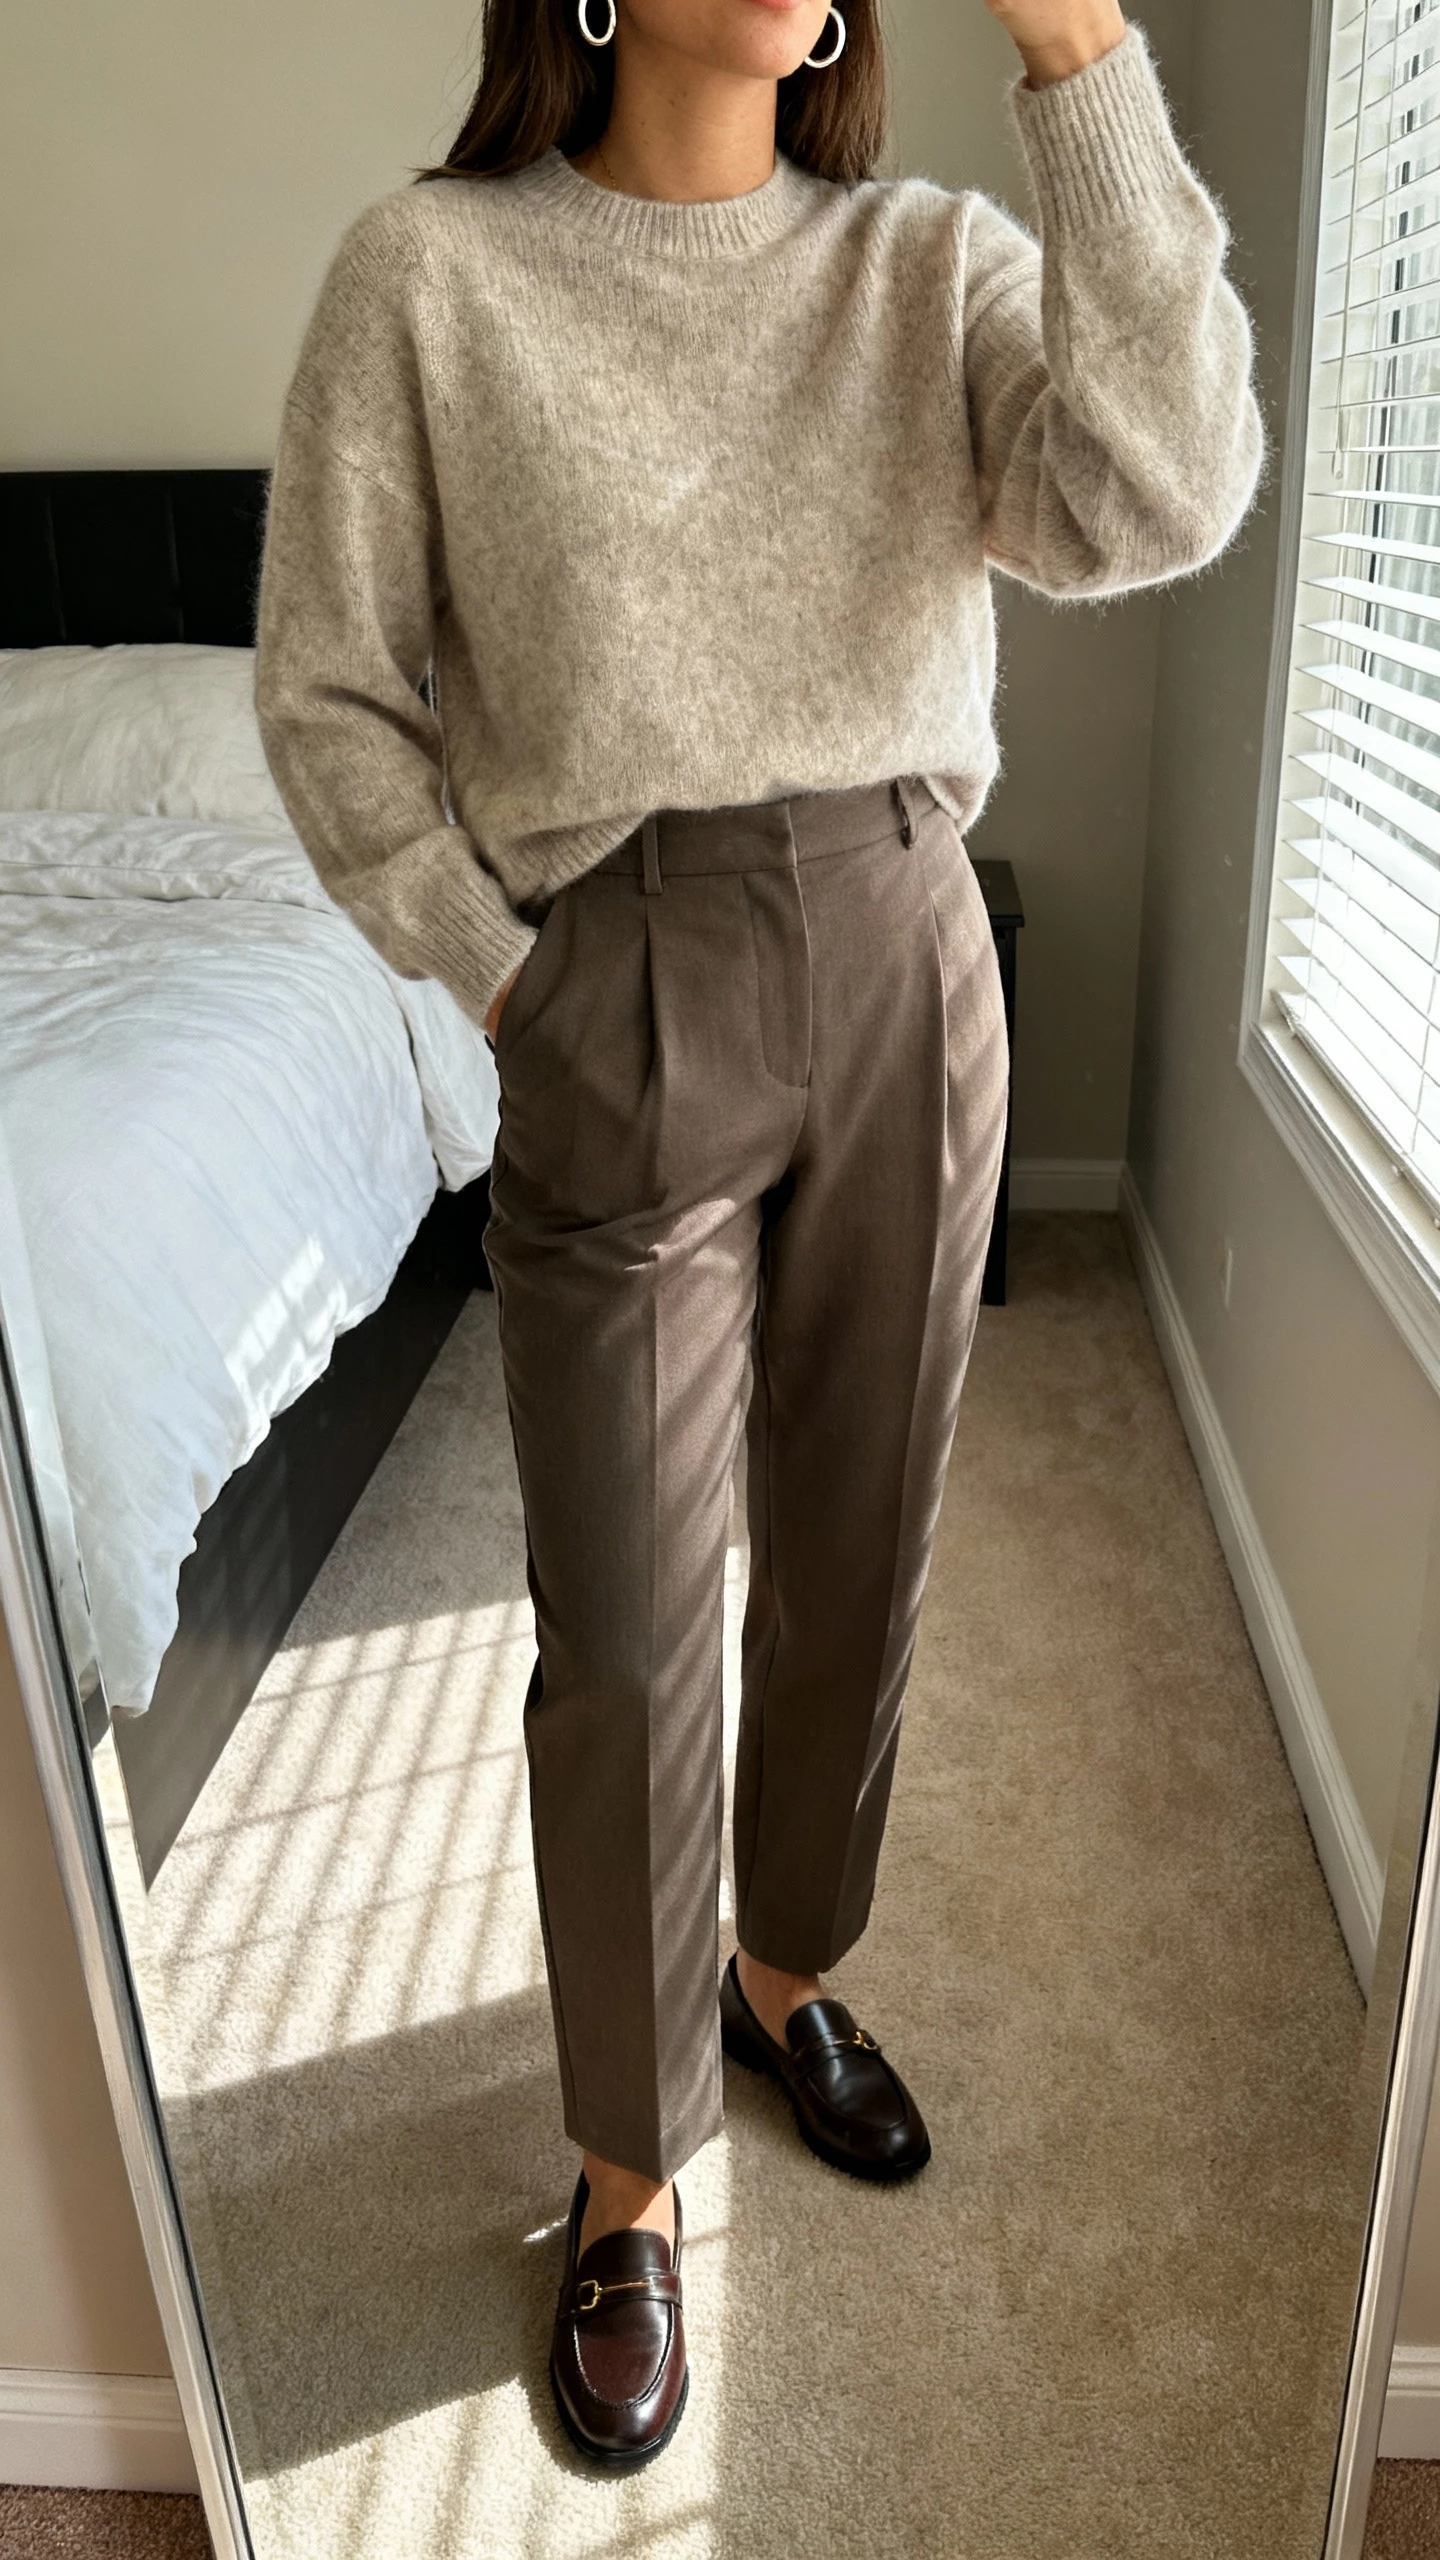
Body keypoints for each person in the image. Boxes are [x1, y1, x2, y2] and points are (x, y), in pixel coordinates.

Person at [255, 0, 1261, 2470]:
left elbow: (1167, 486)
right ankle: (628, 2176)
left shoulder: (930, 263)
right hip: (621, 975)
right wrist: (509, 973)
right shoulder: (433, 279)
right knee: (623, 1625)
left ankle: (781, 1959)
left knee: (863, 1546)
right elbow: (331, 693)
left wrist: (1088, 56)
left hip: (916, 943)